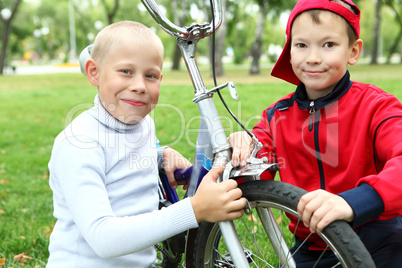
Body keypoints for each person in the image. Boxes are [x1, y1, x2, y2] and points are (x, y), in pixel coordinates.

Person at [47, 21, 247, 267]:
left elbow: (122, 154)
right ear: (94, 72)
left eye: (150, 75)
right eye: (126, 72)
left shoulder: (142, 124)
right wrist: (193, 209)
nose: (140, 86)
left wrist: (159, 154)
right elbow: (103, 238)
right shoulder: (79, 143)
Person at [228, 0, 402, 267]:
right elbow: (255, 172)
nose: (312, 57)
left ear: (353, 51)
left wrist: (354, 202)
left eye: (328, 45)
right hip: (310, 245)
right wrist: (242, 152)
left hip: (378, 238)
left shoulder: (377, 106)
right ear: (289, 51)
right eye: (301, 45)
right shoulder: (277, 116)